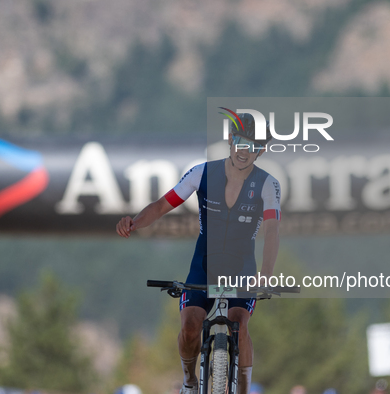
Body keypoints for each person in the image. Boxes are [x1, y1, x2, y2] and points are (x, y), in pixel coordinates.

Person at [116, 113, 281, 394]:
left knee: (239, 324)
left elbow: (273, 231)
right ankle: (189, 381)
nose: (245, 151)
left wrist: (265, 275)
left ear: (261, 150)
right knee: (191, 325)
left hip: (242, 268)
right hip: (203, 266)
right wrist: (135, 222)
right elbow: (161, 205)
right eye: (240, 142)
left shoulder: (267, 184)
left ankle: (242, 389)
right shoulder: (202, 173)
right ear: (231, 141)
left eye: (253, 146)